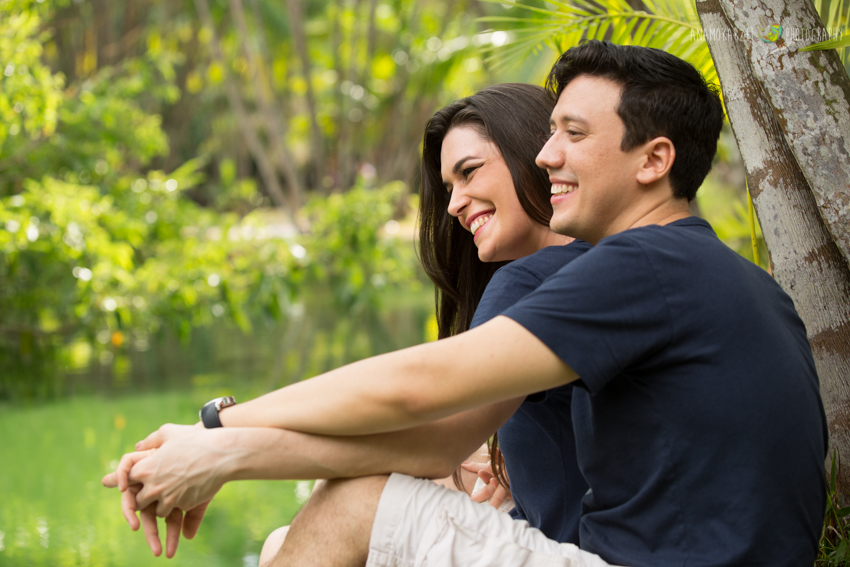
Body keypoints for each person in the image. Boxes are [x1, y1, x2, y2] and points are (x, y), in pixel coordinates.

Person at [106, 41, 828, 567]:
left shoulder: (643, 265)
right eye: (550, 134)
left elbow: (418, 394)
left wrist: (222, 427)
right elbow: (437, 441)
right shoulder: (721, 274)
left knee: (355, 507)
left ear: (654, 160)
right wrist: (227, 449)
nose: (548, 157)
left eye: (573, 135)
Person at [103, 83, 592, 558]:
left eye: (469, 172)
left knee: (349, 500)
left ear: (537, 154)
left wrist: (220, 439)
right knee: (295, 532)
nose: (453, 204)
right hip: (560, 529)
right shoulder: (594, 266)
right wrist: (509, 462)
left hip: (580, 550)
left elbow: (418, 410)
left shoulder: (534, 279)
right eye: (448, 187)